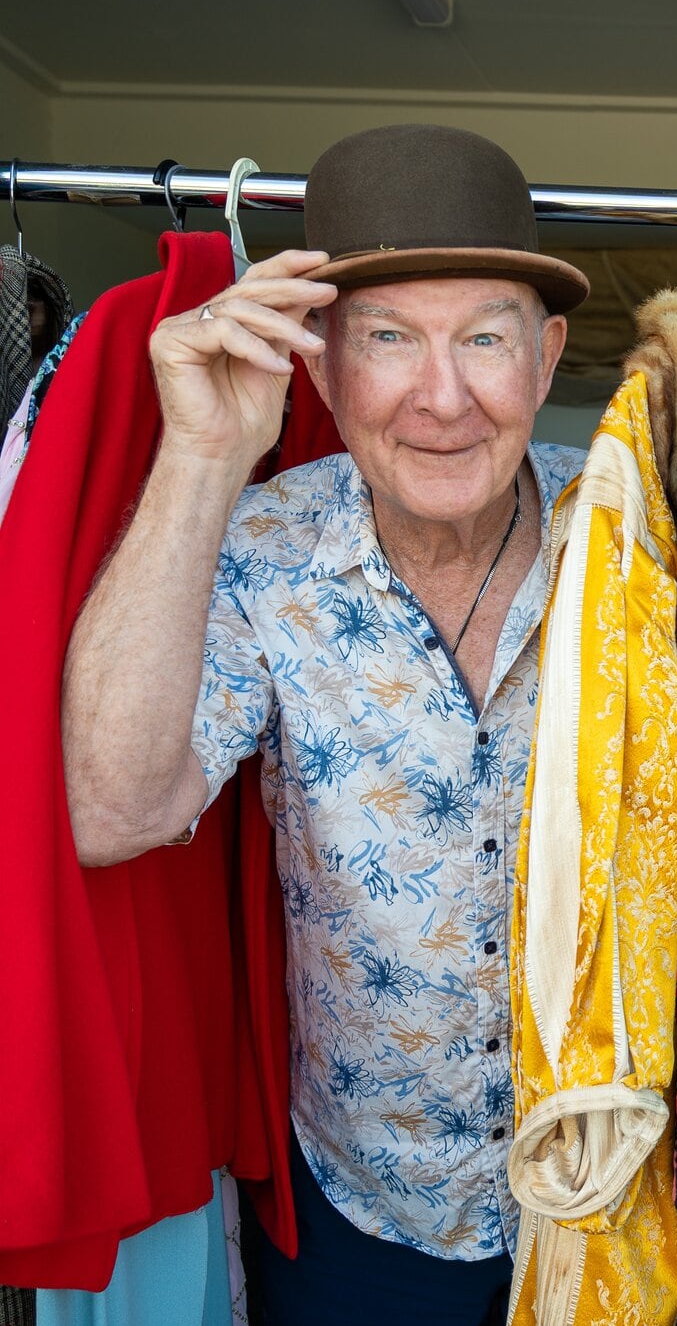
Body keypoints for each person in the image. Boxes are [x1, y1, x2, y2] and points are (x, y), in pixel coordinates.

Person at [61, 123, 592, 1325]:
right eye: (388, 338)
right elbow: (110, 808)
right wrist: (203, 455)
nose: (443, 396)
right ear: (323, 368)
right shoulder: (258, 545)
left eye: (485, 338)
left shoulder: (647, 534)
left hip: (608, 1196)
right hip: (362, 1212)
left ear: (546, 355)